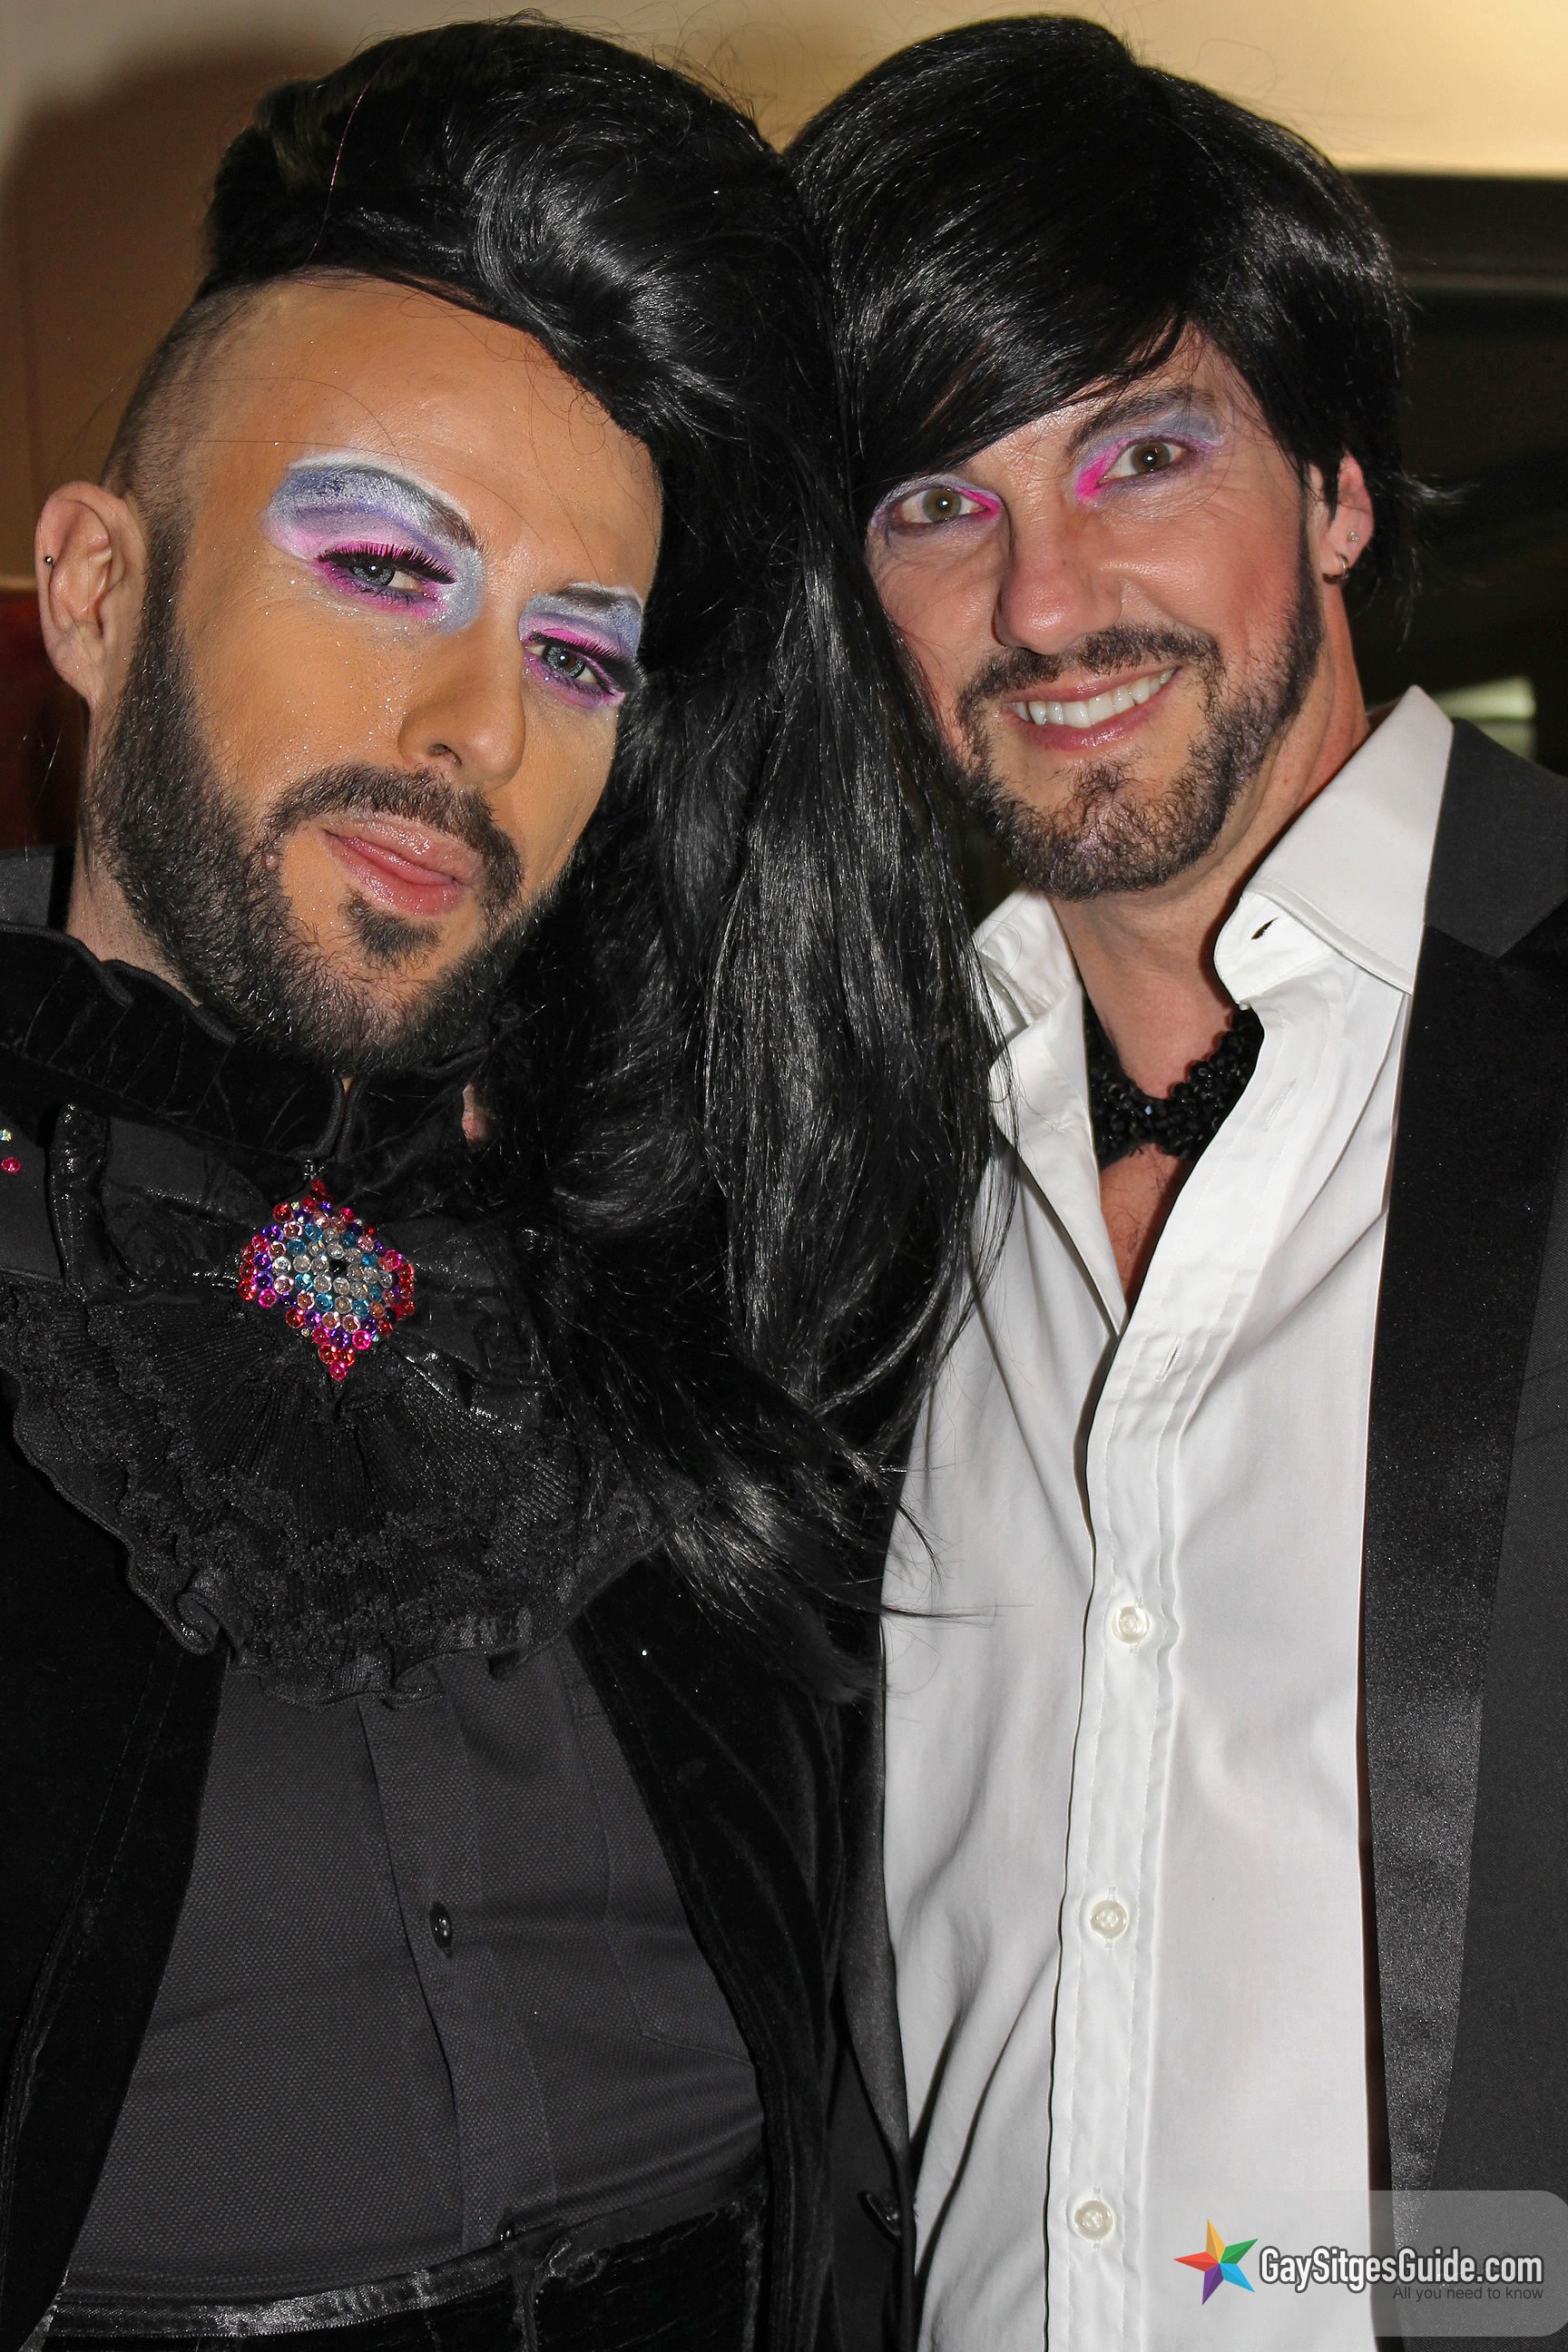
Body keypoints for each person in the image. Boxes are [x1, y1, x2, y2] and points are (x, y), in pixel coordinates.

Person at [0, 22, 993, 2351]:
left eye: (578, 652)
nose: (480, 731)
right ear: (97, 591)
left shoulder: (692, 1231)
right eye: (380, 564)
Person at [793, 18, 1568, 2348]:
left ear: (1337, 489)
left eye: (1143, 451)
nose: (1045, 604)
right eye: (937, 505)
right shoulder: (837, 1166)